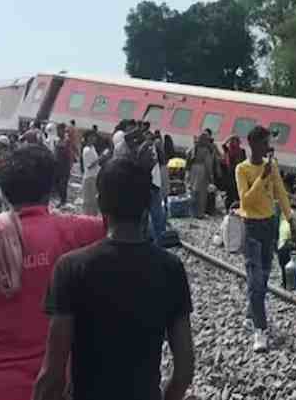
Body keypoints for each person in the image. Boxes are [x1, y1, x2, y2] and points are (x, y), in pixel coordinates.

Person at [0, 145, 106, 400]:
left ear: (5, 190)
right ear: (50, 187)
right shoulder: (77, 232)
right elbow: (124, 225)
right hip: (57, 387)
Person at [32, 157, 194, 400]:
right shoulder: (170, 268)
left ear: (100, 203)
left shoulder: (72, 268)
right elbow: (184, 370)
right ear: (147, 205)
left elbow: (53, 374)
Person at [235, 125, 296, 352]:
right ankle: (260, 331)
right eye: (263, 143)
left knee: (264, 276)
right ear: (252, 144)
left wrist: (291, 219)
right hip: (251, 226)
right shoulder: (242, 169)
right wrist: (262, 177)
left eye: (268, 143)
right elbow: (246, 201)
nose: (267, 148)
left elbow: (280, 192)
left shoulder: (273, 167)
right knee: (255, 280)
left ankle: (251, 314)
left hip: (269, 224)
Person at [186, 134, 216, 219]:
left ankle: (192, 212)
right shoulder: (206, 150)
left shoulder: (193, 148)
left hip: (193, 170)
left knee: (193, 191)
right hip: (202, 170)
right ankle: (200, 213)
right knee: (202, 193)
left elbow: (187, 157)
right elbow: (208, 164)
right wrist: (211, 175)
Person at [51, 124, 73, 207]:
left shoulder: (67, 140)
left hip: (65, 165)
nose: (58, 132)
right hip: (57, 165)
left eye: (59, 130)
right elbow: (55, 152)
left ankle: (63, 201)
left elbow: (69, 153)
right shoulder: (56, 140)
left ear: (63, 131)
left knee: (63, 184)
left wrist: (70, 166)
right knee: (56, 183)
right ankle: (60, 199)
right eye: (57, 130)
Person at [220, 136, 245, 210]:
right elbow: (223, 144)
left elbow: (244, 162)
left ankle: (237, 208)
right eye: (232, 141)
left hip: (239, 174)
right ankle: (228, 209)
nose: (233, 142)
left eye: (235, 141)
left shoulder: (242, 151)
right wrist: (230, 138)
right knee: (229, 193)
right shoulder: (228, 150)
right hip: (229, 174)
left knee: (237, 192)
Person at [81, 133, 101, 216]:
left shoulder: (92, 148)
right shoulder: (87, 150)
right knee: (88, 199)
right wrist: (100, 159)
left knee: (94, 199)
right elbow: (89, 165)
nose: (93, 139)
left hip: (94, 176)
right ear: (88, 138)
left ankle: (92, 216)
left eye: (94, 137)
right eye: (91, 137)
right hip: (89, 177)